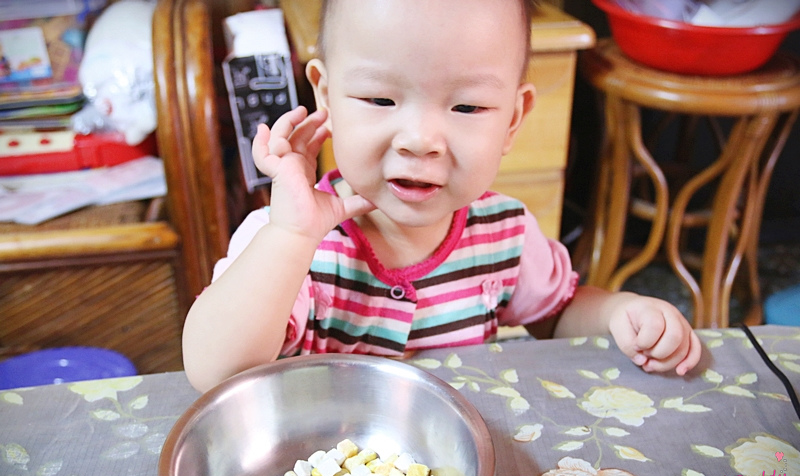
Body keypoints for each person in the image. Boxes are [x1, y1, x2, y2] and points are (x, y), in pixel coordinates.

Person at [182, 0, 702, 392]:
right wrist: (291, 234)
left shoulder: (507, 232)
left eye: (467, 107)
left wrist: (619, 312)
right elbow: (215, 372)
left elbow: (558, 314)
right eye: (380, 98)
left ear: (514, 118)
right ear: (325, 96)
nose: (420, 139)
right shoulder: (289, 241)